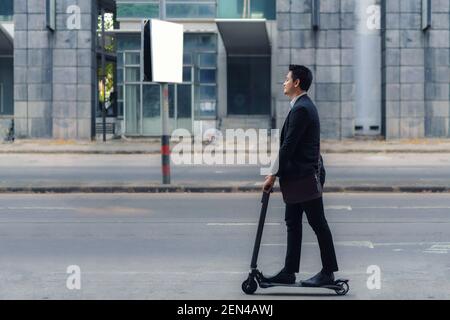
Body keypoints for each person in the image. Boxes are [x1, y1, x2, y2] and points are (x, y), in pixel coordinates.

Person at [262, 65, 339, 287]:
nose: (284, 82)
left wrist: (271, 175)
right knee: (293, 222)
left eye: (287, 79)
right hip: (299, 179)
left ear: (296, 83)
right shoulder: (300, 106)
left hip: (304, 179)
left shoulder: (302, 109)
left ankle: (328, 272)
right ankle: (289, 271)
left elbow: (288, 146)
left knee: (318, 223)